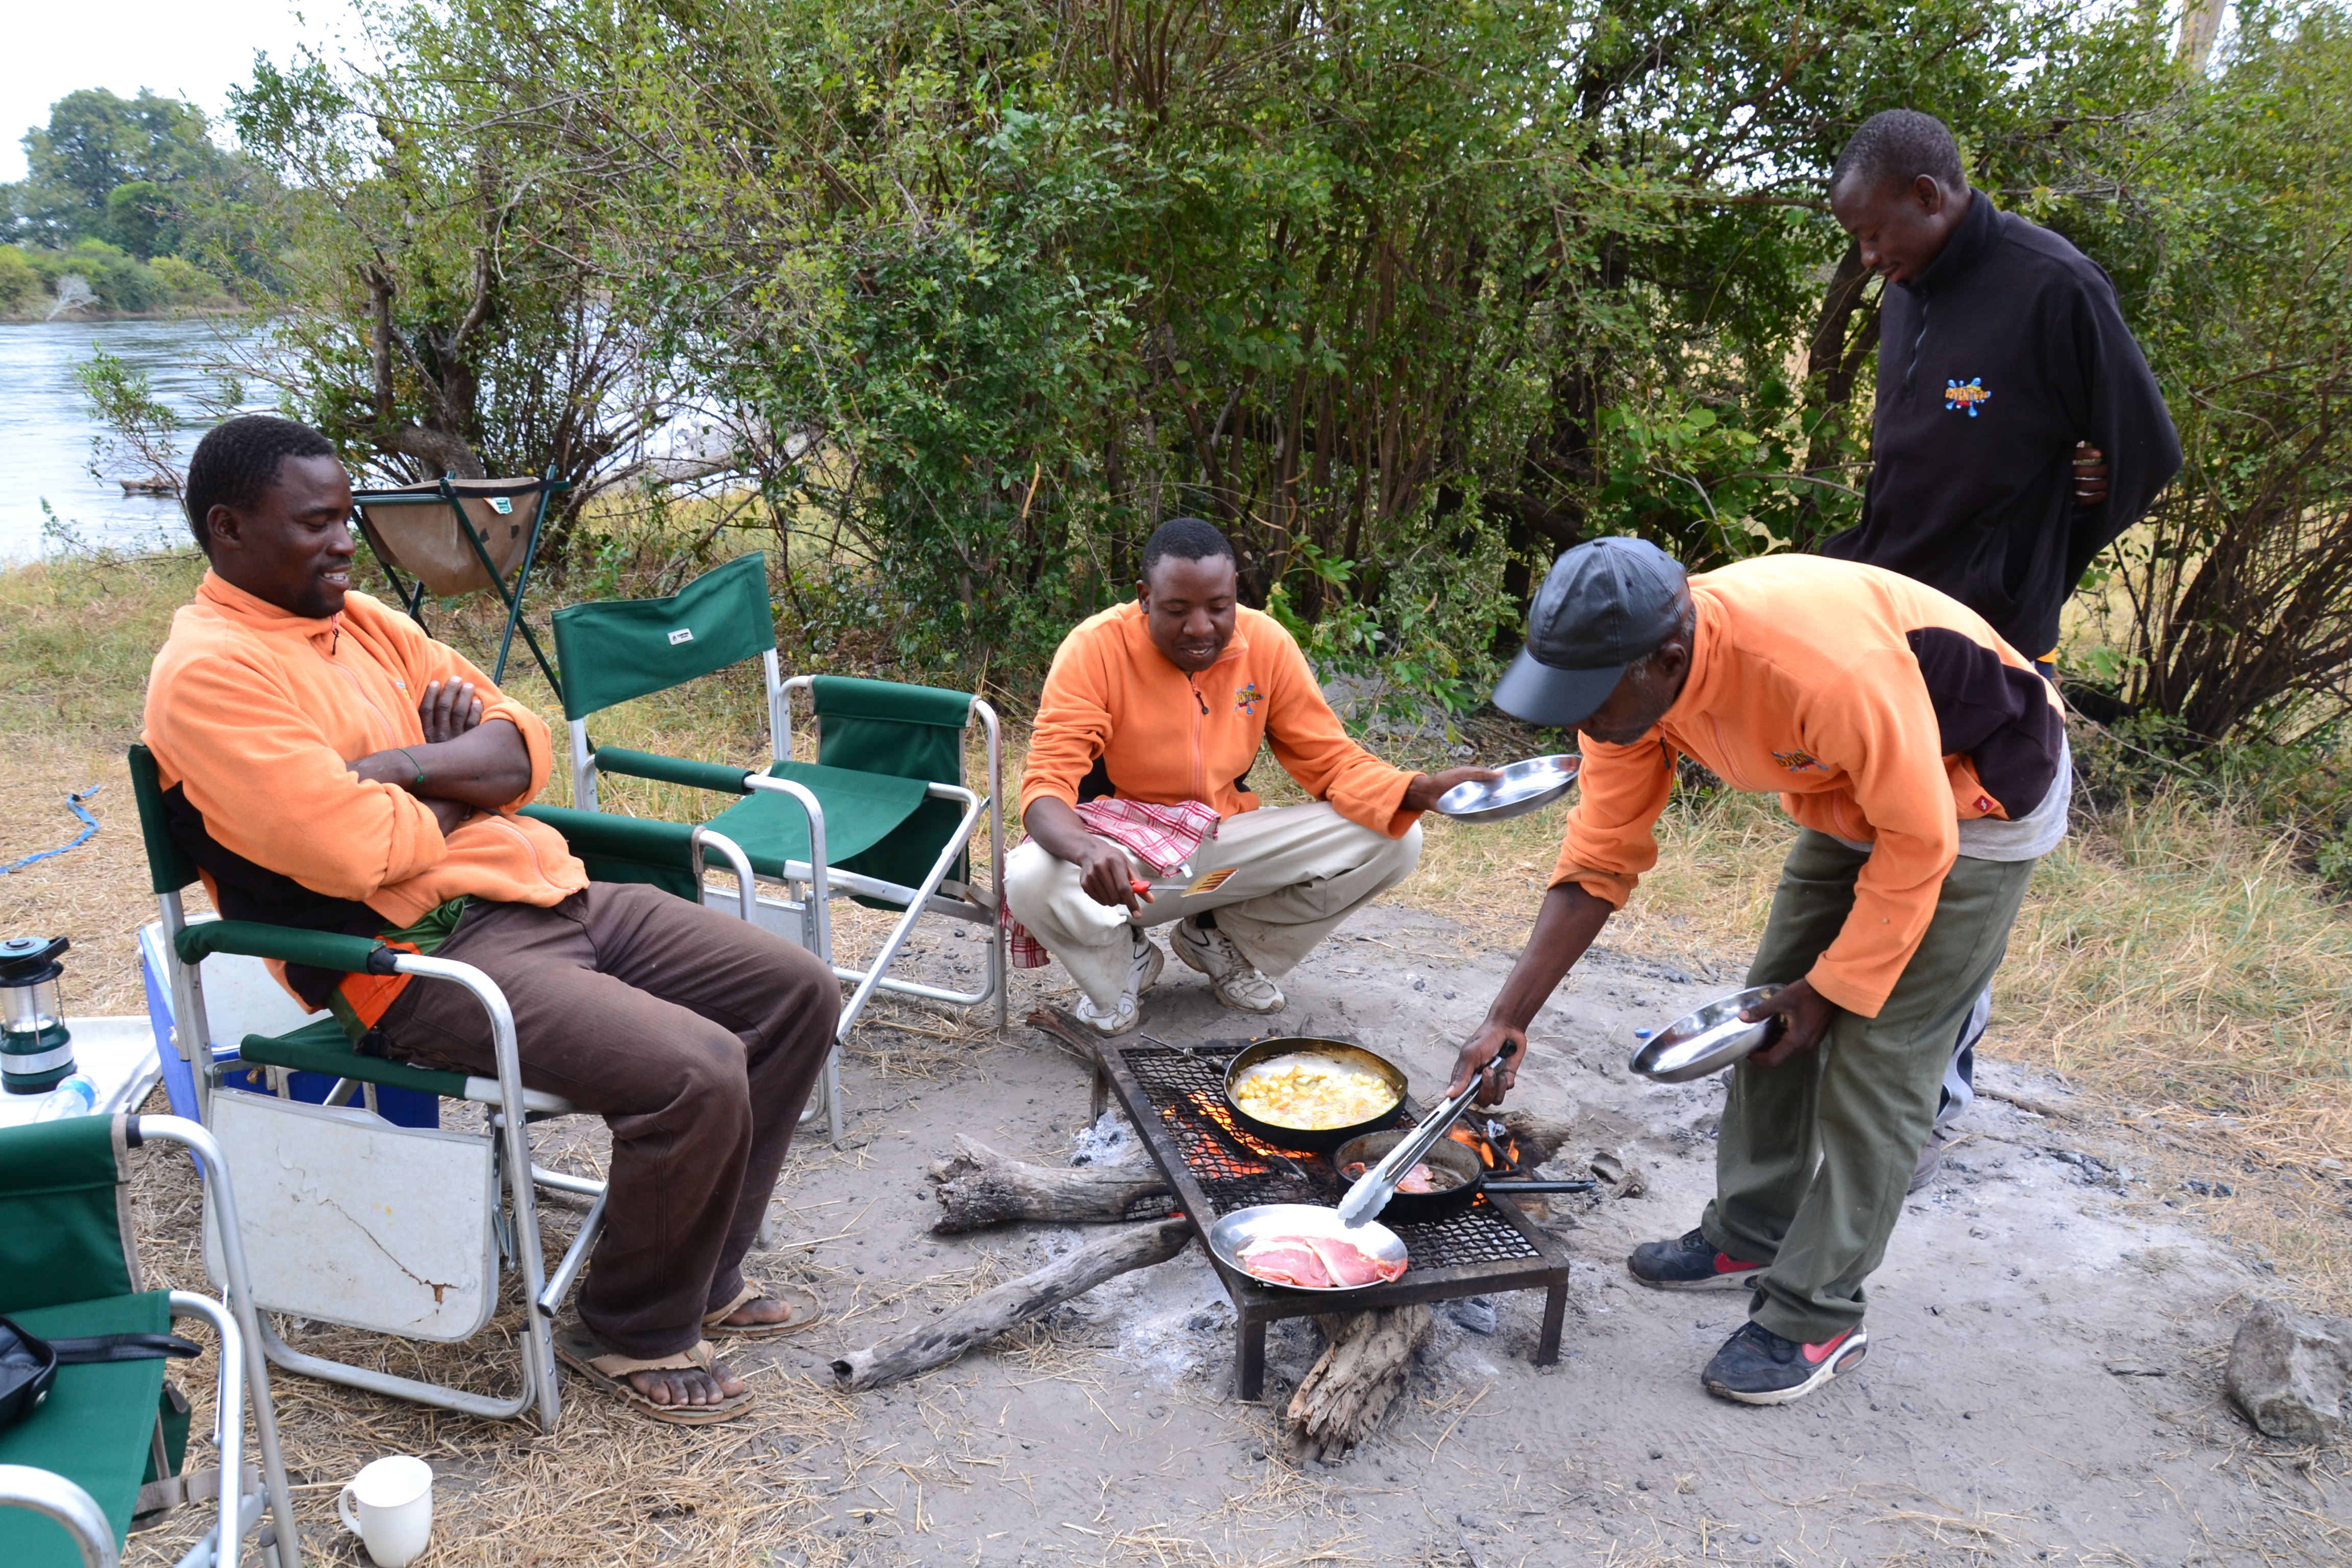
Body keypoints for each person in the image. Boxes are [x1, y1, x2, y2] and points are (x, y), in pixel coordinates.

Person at [142, 414, 839, 1425]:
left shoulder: (367, 621)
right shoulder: (211, 676)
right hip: (416, 958)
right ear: (230, 529)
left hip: (547, 892)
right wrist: (461, 788)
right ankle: (628, 1325)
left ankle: (704, 1271)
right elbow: (349, 851)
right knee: (696, 1067)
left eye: (347, 517)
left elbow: (524, 744)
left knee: (795, 990)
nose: (344, 543)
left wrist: (406, 772)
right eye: (316, 523)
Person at [1449, 537, 2068, 1406]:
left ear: (1668, 660)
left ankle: (1817, 1311)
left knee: (1879, 1054)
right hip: (1856, 798)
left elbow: (1923, 840)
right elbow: (1600, 857)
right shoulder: (1632, 686)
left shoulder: (1817, 668)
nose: (1580, 722)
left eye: (1590, 700)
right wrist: (1506, 1015)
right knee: (1763, 1016)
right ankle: (1750, 1230)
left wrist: (1831, 991)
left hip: (1978, 795)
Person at [1821, 108, 2179, 1180]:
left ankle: (1936, 1098)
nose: (1867, 258)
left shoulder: (2052, 285)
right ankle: (1847, 1069)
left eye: (1877, 235)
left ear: (1930, 195)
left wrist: (2042, 551)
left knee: (1962, 869)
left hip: (1990, 642)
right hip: (1888, 621)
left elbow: (2143, 452)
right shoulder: (1907, 292)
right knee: (1879, 848)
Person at [1006, 517, 1496, 1035]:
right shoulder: (1096, 649)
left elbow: (1330, 761)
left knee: (1397, 836)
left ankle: (1220, 938)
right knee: (1030, 876)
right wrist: (1086, 850)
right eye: (1177, 610)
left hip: (1221, 845)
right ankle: (1120, 966)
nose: (1200, 628)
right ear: (1145, 598)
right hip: (1122, 862)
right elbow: (1046, 786)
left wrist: (1417, 789)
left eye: (1218, 608)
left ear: (1235, 592)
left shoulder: (1265, 643)